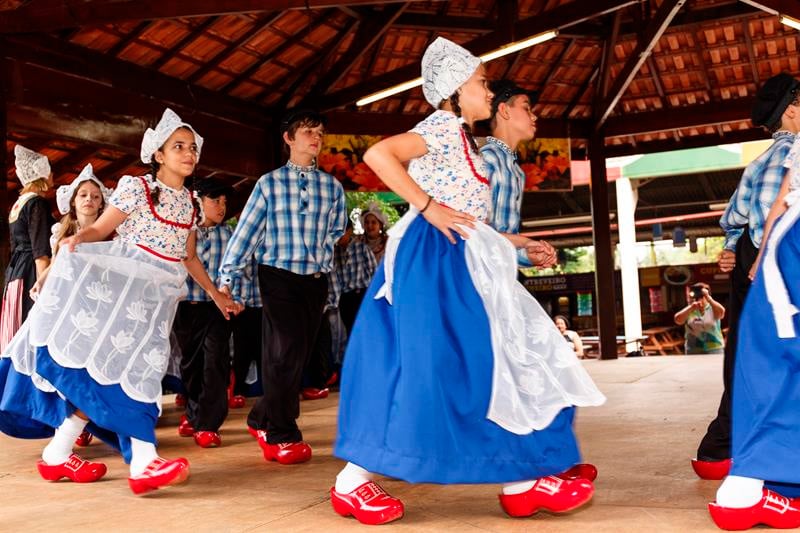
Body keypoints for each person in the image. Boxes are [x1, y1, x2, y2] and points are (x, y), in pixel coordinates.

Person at [330, 37, 605, 526]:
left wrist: (519, 243)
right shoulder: (439, 126)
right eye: (481, 81)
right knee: (440, 366)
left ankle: (522, 477)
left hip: (462, 257)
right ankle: (353, 480)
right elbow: (378, 155)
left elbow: (469, 220)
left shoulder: (462, 140)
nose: (487, 89)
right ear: (455, 89)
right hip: (432, 261)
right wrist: (427, 206)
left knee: (489, 361)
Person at [0, 108, 237, 494]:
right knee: (124, 374)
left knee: (122, 374)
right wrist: (77, 240)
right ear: (158, 154)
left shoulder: (192, 204)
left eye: (192, 147)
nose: (188, 153)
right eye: (178, 146)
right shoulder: (136, 187)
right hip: (117, 294)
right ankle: (144, 461)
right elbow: (100, 228)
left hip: (157, 302)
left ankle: (57, 454)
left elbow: (189, 257)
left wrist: (215, 295)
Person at [219, 108, 346, 466]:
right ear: (288, 138)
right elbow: (247, 231)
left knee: (297, 354)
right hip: (277, 275)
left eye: (319, 132)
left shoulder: (332, 187)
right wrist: (227, 278)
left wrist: (325, 277)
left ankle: (261, 416)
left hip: (314, 281)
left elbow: (335, 234)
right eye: (307, 131)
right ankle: (281, 432)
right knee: (284, 350)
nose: (315, 138)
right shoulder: (270, 183)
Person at [693, 73, 800, 481]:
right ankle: (752, 449)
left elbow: (735, 218)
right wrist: (761, 254)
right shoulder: (788, 156)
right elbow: (780, 211)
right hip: (774, 256)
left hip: (748, 256)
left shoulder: (757, 161)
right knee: (777, 355)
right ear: (790, 109)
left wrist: (731, 248)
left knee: (745, 350)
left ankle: (719, 446)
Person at [0, 165, 110, 445]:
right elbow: (56, 262)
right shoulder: (60, 234)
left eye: (95, 196)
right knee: (70, 364)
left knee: (95, 364)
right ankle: (75, 424)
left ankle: (96, 421)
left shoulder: (111, 237)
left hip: (97, 307)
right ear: (73, 201)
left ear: (102, 202)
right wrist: (42, 282)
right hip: (70, 306)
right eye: (83, 195)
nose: (89, 200)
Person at [173, 177, 234, 448]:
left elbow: (236, 268)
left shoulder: (229, 235)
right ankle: (193, 413)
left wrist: (231, 292)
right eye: (215, 201)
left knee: (215, 363)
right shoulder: (184, 230)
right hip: (187, 306)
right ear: (199, 201)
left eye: (224, 202)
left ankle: (208, 424)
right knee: (191, 364)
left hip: (218, 309)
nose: (221, 207)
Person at [479, 79, 557, 269]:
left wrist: (528, 256)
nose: (534, 117)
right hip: (478, 279)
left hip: (497, 277)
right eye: (526, 108)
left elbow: (499, 245)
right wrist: (525, 242)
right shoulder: (488, 161)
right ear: (504, 111)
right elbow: (476, 234)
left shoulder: (515, 171)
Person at [0, 146, 55, 352]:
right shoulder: (37, 203)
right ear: (42, 173)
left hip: (15, 273)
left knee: (15, 327)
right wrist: (45, 286)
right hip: (31, 271)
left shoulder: (17, 204)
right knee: (32, 326)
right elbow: (40, 248)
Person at [229, 256, 263, 408]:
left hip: (265, 304)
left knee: (265, 351)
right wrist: (237, 299)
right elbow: (236, 273)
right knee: (241, 351)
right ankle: (238, 391)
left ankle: (268, 391)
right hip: (242, 305)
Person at [338, 219, 378, 334]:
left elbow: (374, 272)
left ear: (349, 231)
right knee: (350, 332)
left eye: (341, 232)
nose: (337, 237)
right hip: (344, 299)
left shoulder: (361, 248)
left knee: (364, 330)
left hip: (361, 295)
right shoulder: (336, 252)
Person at [673, 283, 725, 355]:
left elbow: (722, 313)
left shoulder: (713, 308)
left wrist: (708, 297)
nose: (699, 298)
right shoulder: (690, 309)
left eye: (702, 296)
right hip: (693, 348)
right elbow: (677, 320)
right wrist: (691, 307)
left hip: (714, 348)